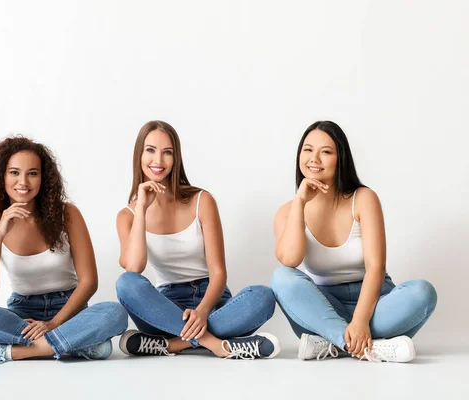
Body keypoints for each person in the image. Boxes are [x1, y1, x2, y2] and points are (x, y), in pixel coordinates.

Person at [271, 121, 437, 362]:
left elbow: (376, 267)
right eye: (307, 150)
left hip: (375, 303)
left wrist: (360, 321)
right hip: (323, 309)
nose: (314, 158)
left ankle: (332, 344)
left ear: (341, 159)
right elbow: (290, 259)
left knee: (423, 292)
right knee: (281, 277)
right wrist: (300, 202)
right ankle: (368, 348)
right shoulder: (288, 211)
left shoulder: (363, 198)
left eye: (325, 152)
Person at [115, 120, 279, 360]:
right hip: (164, 309)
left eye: (167, 152)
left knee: (263, 296)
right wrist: (141, 207)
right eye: (150, 150)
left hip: (212, 302)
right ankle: (216, 344)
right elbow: (134, 268)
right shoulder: (127, 216)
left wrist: (202, 312)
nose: (158, 160)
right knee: (126, 283)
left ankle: (171, 345)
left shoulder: (202, 200)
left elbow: (219, 273)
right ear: (139, 155)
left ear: (176, 158)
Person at [0, 137, 127, 362]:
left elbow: (89, 282)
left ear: (43, 178)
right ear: (1, 176)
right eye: (14, 173)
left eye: (32, 173)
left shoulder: (67, 214)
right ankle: (72, 345)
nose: (23, 182)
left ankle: (17, 351)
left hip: (69, 311)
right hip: (22, 314)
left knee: (115, 313)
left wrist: (54, 323)